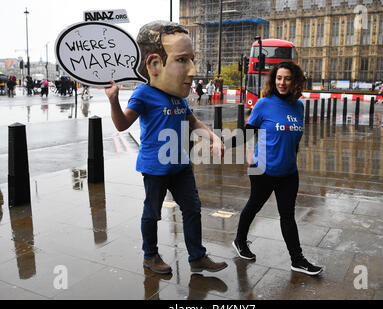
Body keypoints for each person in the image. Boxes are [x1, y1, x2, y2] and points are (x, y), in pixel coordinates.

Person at [105, 20, 228, 275]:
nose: (192, 70)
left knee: (193, 209)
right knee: (152, 213)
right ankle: (150, 255)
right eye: (183, 60)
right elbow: (121, 124)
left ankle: (197, 257)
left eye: (191, 60)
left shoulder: (177, 96)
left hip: (181, 164)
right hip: (155, 166)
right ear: (154, 65)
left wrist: (214, 138)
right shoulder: (144, 93)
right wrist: (114, 101)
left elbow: (192, 121)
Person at [232, 61, 323, 276]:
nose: (282, 82)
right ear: (274, 80)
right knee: (253, 206)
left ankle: (297, 260)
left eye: (287, 78)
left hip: (289, 172)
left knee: (287, 216)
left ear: (295, 82)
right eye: (279, 78)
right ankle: (239, 241)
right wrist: (221, 143)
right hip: (262, 169)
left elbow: (294, 138)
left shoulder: (298, 106)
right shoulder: (264, 104)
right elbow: (247, 133)